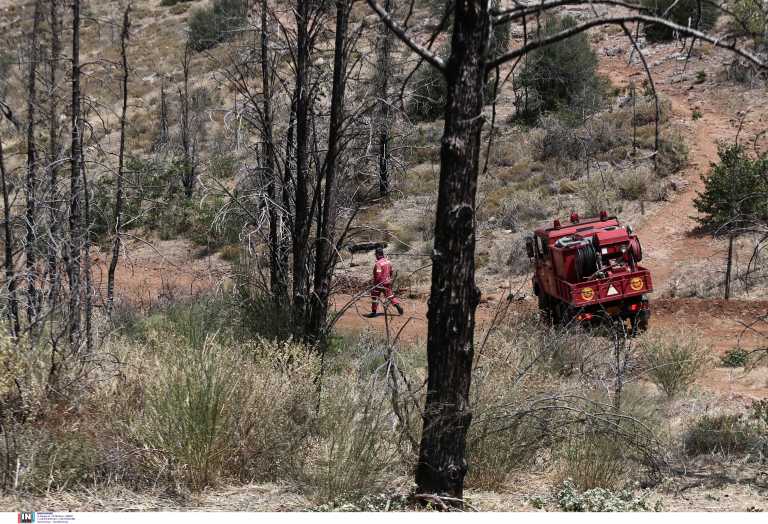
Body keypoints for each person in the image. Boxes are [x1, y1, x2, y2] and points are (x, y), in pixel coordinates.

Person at [365, 247, 404, 317]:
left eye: (376, 254)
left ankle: (373, 312)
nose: (375, 256)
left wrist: (375, 284)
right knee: (390, 295)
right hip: (388, 282)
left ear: (378, 254)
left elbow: (378, 275)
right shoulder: (388, 262)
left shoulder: (378, 264)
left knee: (374, 296)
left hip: (379, 284)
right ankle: (398, 306)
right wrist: (388, 279)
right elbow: (391, 271)